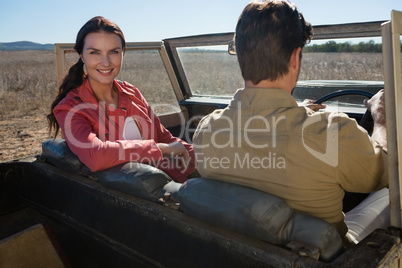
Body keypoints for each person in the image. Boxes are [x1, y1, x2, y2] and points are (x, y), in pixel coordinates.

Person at [192, 0, 388, 245]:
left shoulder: (205, 131)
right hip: (330, 256)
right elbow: (388, 170)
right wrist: (381, 120)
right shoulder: (329, 132)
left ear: (240, 55)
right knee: (387, 196)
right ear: (295, 57)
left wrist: (295, 111)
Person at [47, 16, 195, 183]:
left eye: (114, 52)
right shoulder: (70, 108)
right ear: (81, 55)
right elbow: (97, 155)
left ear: (123, 53)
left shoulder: (131, 92)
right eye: (95, 52)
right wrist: (160, 149)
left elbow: (164, 138)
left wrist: (208, 157)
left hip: (169, 182)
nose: (106, 62)